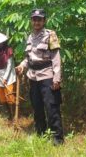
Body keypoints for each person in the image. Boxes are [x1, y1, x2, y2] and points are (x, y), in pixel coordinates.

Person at [16, 9, 64, 145]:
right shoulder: (30, 37)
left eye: (39, 19)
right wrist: (21, 66)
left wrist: (57, 78)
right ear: (32, 21)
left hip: (47, 75)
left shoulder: (51, 35)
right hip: (33, 77)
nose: (36, 22)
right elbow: (28, 57)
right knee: (37, 107)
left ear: (44, 21)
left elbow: (56, 57)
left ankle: (57, 139)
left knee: (51, 107)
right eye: (34, 19)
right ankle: (40, 133)